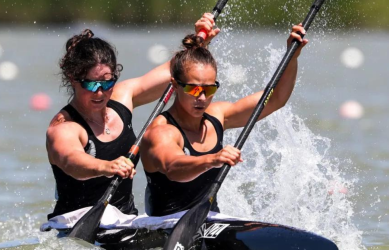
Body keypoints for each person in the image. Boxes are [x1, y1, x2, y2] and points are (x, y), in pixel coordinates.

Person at [139, 26, 339, 249]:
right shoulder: (161, 132)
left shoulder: (217, 116)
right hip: (169, 226)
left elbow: (274, 100)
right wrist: (212, 159)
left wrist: (292, 56)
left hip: (211, 223)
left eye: (210, 89)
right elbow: (173, 167)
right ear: (175, 86)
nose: (203, 98)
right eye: (194, 90)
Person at [45, 13, 220, 220]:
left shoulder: (122, 97)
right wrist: (106, 166)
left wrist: (200, 43)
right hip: (76, 223)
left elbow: (176, 71)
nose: (100, 92)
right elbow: (71, 161)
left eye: (107, 82)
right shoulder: (64, 127)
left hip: (125, 223)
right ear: (73, 79)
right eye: (91, 84)